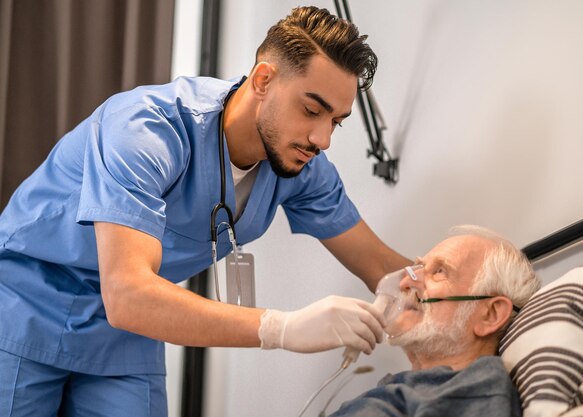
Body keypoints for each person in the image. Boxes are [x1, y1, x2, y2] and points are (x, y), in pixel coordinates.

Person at [0, 6, 411, 416]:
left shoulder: (301, 166)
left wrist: (459, 290)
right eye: (311, 110)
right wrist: (280, 328)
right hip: (27, 305)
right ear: (264, 80)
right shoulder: (147, 130)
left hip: (124, 339)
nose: (322, 139)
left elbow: (383, 268)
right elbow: (127, 294)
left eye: (336, 121)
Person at [328, 225, 541, 417]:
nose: (405, 282)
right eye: (418, 268)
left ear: (490, 315)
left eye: (439, 271)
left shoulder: (479, 386)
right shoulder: (407, 387)